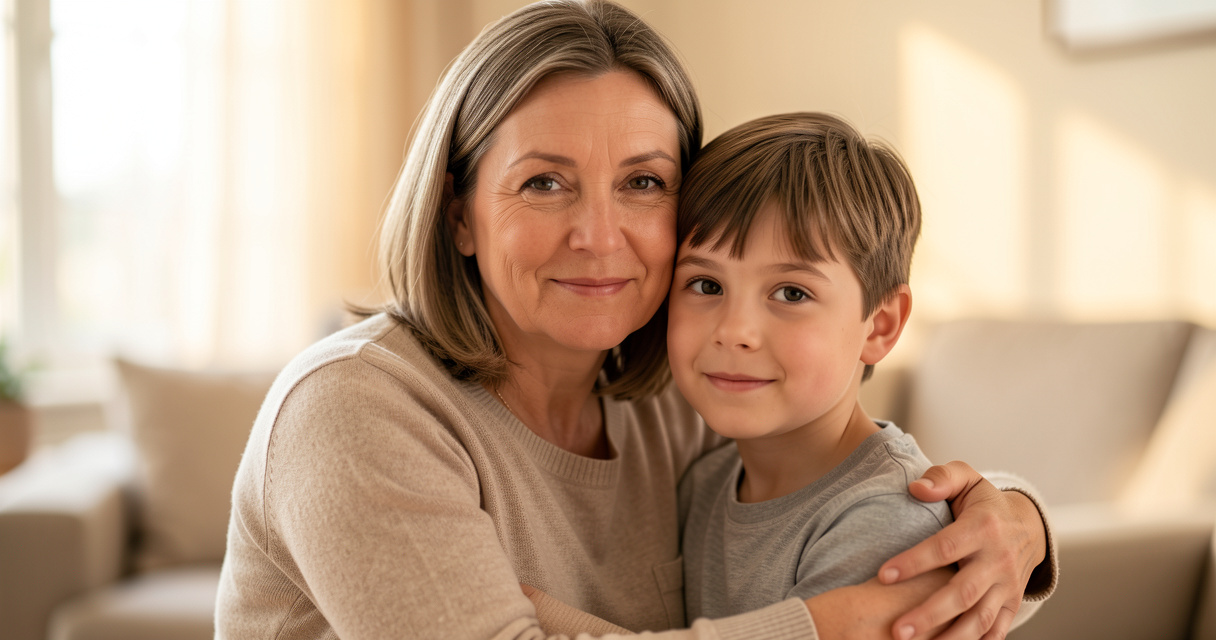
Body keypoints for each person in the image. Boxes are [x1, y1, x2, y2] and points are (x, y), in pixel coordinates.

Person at [215, 2, 1057, 639]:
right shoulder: (355, 410)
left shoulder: (673, 399)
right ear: (458, 213)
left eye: (644, 183)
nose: (599, 235)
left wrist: (1015, 516)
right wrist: (831, 623)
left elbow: (851, 494)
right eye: (544, 182)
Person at [671, 112, 953, 620]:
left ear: (880, 325)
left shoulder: (889, 517)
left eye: (792, 292)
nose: (735, 330)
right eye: (706, 285)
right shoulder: (704, 483)